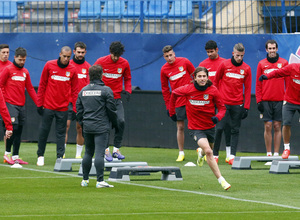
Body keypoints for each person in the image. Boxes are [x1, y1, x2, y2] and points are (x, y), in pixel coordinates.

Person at [169, 67, 231, 190]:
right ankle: (222, 180)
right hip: (195, 128)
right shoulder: (188, 89)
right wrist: (172, 112)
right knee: (209, 151)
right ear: (195, 78)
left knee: (208, 149)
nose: (202, 79)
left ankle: (200, 152)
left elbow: (222, 108)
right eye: (200, 76)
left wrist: (217, 117)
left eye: (204, 76)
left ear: (207, 77)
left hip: (210, 127)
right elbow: (174, 94)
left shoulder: (213, 91)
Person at [36, 46, 78, 166]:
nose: (66, 59)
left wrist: (74, 108)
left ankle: (60, 157)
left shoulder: (73, 69)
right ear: (60, 54)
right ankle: (40, 155)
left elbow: (75, 91)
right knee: (44, 131)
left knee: (61, 134)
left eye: (68, 57)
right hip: (48, 106)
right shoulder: (49, 65)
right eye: (64, 56)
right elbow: (42, 84)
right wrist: (40, 104)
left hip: (63, 108)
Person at [77, 65, 117, 188]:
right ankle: (100, 181)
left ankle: (85, 180)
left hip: (87, 126)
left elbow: (78, 111)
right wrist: (114, 122)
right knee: (99, 153)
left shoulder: (83, 91)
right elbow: (112, 109)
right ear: (101, 75)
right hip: (101, 126)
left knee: (88, 152)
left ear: (89, 76)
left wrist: (83, 123)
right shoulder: (106, 90)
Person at [214, 43, 252, 165]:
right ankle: (215, 155)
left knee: (235, 130)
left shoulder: (246, 68)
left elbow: (247, 88)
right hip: (223, 103)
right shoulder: (224, 65)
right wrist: (215, 99)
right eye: (237, 55)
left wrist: (246, 107)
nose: (239, 58)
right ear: (233, 53)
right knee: (219, 128)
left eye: (241, 56)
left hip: (238, 104)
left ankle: (232, 156)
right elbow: (215, 82)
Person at [94, 41, 131, 161]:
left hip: (116, 99)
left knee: (121, 121)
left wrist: (128, 90)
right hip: (103, 100)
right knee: (105, 126)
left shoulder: (124, 63)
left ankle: (116, 150)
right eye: (114, 55)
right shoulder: (101, 61)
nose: (115, 58)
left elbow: (128, 78)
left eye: (118, 56)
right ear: (110, 52)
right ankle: (105, 150)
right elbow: (93, 75)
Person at [0, 47, 38, 165]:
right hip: (9, 103)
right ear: (15, 57)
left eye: (24, 60)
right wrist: (4, 99)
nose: (22, 62)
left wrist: (38, 103)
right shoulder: (8, 69)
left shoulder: (25, 72)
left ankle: (16, 156)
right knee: (13, 128)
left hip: (21, 105)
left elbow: (30, 88)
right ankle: (7, 154)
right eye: (20, 59)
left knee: (19, 130)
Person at [160, 45, 195, 162]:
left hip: (192, 99)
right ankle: (181, 153)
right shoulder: (164, 70)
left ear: (174, 54)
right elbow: (165, 90)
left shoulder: (184, 62)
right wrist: (168, 107)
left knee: (197, 125)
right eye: (166, 56)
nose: (169, 58)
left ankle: (202, 150)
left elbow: (196, 76)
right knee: (180, 126)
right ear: (164, 57)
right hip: (178, 101)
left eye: (171, 55)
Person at [259, 63, 300, 159]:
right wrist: (267, 76)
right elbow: (278, 72)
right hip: (290, 100)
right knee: (286, 123)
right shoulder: (293, 67)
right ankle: (286, 148)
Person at [199, 40, 230, 163]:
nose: (209, 54)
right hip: (206, 100)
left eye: (211, 51)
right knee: (207, 126)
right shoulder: (202, 64)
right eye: (207, 52)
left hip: (222, 99)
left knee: (225, 126)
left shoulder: (224, 63)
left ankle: (228, 154)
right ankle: (207, 151)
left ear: (217, 50)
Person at [255, 40, 288, 157]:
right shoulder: (261, 64)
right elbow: (258, 84)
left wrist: (287, 99)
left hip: (280, 100)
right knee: (268, 126)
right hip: (266, 100)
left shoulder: (284, 63)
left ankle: (276, 154)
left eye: (274, 48)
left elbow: (288, 82)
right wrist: (259, 100)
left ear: (277, 49)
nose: (272, 50)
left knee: (277, 126)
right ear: (266, 50)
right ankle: (268, 154)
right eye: (270, 48)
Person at [65, 42, 91, 159]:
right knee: (65, 126)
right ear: (74, 52)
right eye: (78, 52)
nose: (80, 54)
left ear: (85, 52)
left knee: (80, 128)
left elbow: (89, 85)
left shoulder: (88, 67)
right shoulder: (68, 65)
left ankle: (78, 155)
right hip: (68, 101)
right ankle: (62, 153)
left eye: (82, 52)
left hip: (82, 103)